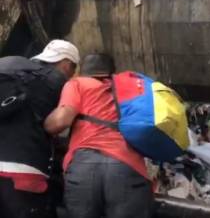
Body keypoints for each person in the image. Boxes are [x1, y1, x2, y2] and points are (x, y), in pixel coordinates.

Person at [44, 53, 153, 218]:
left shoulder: (77, 83)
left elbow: (61, 120)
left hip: (84, 166)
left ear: (83, 71)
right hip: (127, 164)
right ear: (112, 71)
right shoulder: (130, 88)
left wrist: (41, 126)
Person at [0, 39, 80, 218]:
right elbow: (57, 123)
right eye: (73, 69)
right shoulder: (58, 81)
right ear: (66, 64)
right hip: (23, 170)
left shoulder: (8, 63)